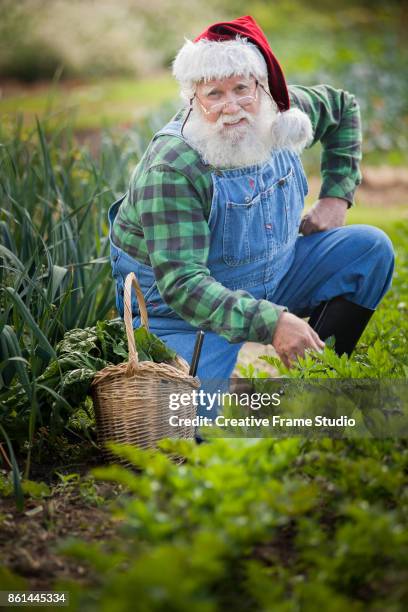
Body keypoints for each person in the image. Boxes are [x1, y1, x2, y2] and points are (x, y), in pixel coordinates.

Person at [108, 15, 394, 390]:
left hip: (276, 272)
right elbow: (183, 285)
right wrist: (272, 322)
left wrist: (336, 196)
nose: (232, 107)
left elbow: (342, 109)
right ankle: (229, 378)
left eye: (241, 88)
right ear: (193, 99)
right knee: (188, 432)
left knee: (370, 251)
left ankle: (315, 384)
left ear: (261, 86)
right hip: (185, 313)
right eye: (214, 94)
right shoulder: (174, 165)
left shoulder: (281, 113)